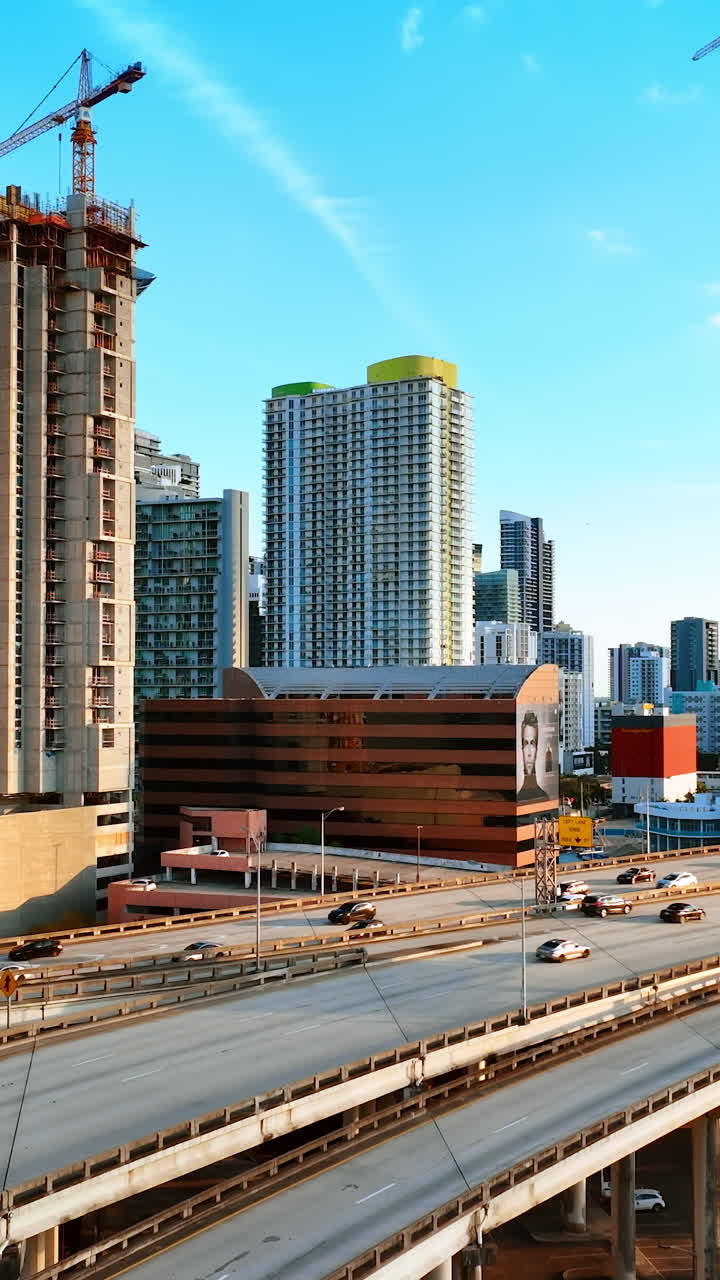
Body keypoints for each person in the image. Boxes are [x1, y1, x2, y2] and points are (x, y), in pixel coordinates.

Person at [518, 709, 549, 801]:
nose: (529, 753)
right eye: (525, 743)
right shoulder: (519, 798)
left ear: (537, 749)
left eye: (532, 743)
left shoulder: (543, 797)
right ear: (521, 749)